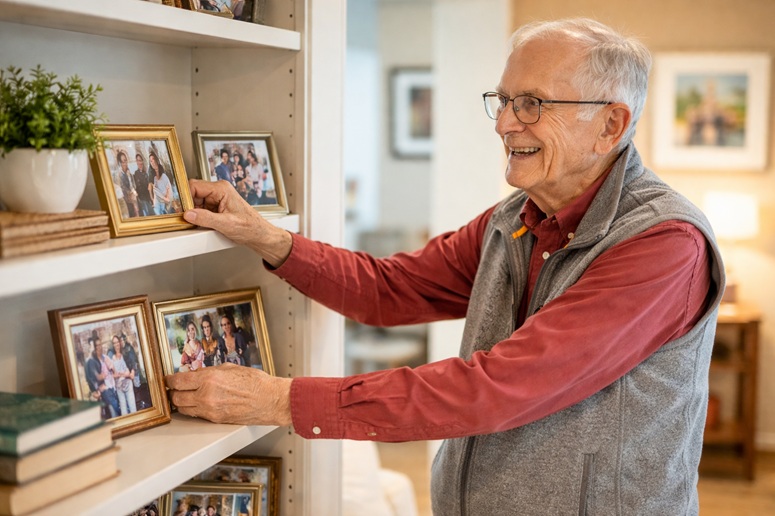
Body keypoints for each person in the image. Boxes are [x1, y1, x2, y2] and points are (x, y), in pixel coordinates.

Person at [166, 18, 725, 514]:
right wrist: (265, 237)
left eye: (532, 103)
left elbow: (501, 386)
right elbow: (389, 289)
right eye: (503, 100)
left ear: (610, 125)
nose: (504, 124)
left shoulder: (664, 244)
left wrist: (281, 400)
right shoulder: (512, 219)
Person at [85, 337, 121, 419]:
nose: (99, 347)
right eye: (96, 345)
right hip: (105, 390)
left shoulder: (105, 357)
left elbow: (114, 372)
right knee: (115, 410)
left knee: (115, 412)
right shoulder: (92, 362)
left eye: (100, 344)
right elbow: (93, 379)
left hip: (113, 387)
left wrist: (112, 371)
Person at [110, 334, 137, 415]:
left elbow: (131, 368)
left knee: (132, 408)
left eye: (117, 342)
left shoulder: (125, 354)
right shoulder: (112, 358)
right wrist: (120, 375)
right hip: (119, 387)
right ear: (113, 345)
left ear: (120, 342)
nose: (116, 344)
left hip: (128, 384)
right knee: (124, 411)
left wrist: (128, 373)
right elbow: (111, 375)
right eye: (114, 343)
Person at [116, 150, 139, 218]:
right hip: (128, 202)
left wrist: (134, 191)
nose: (125, 163)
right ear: (120, 163)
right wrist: (131, 193)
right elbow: (123, 188)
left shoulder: (129, 173)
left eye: (125, 160)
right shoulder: (120, 175)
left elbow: (134, 185)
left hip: (135, 199)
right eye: (123, 161)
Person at [149, 150, 173, 215]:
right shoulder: (153, 177)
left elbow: (169, 188)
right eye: (151, 161)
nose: (152, 162)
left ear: (156, 160)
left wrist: (167, 198)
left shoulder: (164, 175)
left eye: (153, 159)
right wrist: (153, 201)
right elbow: (154, 191)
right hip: (158, 203)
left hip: (167, 203)